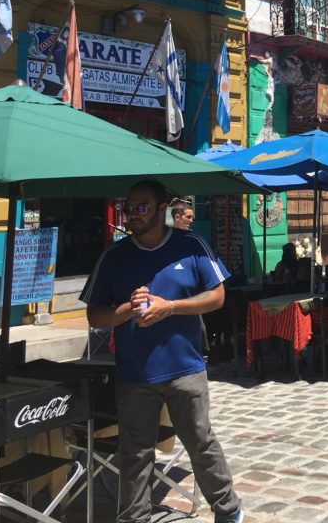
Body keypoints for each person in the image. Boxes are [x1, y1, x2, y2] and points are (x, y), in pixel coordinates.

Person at [81, 180, 242, 523]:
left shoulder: (191, 245)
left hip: (185, 368)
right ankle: (134, 517)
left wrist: (170, 307)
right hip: (134, 373)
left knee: (200, 442)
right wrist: (126, 310)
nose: (132, 215)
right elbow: (95, 315)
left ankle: (228, 510)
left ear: (161, 208)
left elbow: (217, 296)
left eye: (141, 207)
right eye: (129, 208)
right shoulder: (114, 256)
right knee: (135, 453)